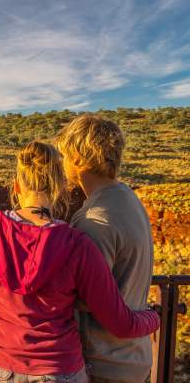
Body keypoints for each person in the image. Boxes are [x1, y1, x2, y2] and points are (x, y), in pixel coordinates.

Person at [0, 141, 159, 383]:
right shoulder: (77, 245)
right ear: (60, 188)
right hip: (60, 370)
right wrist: (154, 316)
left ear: (16, 186)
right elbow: (121, 324)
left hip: (1, 368)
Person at [56, 115, 155, 383]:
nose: (62, 163)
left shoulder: (94, 220)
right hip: (134, 357)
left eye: (64, 155)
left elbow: (90, 297)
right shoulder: (129, 199)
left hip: (104, 365)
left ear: (77, 157)